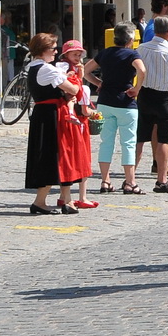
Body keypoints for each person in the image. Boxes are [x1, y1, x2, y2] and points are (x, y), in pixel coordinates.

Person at [22, 33, 81, 215]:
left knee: (59, 155)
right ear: (43, 50)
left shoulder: (34, 67)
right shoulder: (47, 69)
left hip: (45, 114)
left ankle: (66, 200)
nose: (56, 52)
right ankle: (41, 201)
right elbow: (73, 89)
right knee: (54, 155)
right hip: (52, 115)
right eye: (53, 48)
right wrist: (77, 77)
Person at [87, 25, 145, 195]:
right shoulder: (132, 54)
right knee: (128, 143)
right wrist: (137, 88)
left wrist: (98, 83)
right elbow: (141, 70)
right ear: (130, 40)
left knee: (106, 142)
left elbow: (85, 70)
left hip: (105, 102)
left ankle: (105, 181)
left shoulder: (105, 53)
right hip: (126, 103)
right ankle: (130, 182)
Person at [134, 16, 168, 194]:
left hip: (145, 95)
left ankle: (130, 178)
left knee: (140, 137)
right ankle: (162, 180)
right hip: (165, 97)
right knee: (164, 139)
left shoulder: (141, 48)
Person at [56, 40, 96, 210]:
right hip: (77, 119)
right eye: (75, 54)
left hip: (71, 116)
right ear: (66, 55)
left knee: (72, 158)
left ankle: (64, 196)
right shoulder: (66, 72)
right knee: (80, 158)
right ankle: (80, 197)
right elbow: (79, 96)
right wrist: (94, 113)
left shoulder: (68, 70)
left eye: (80, 54)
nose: (78, 56)